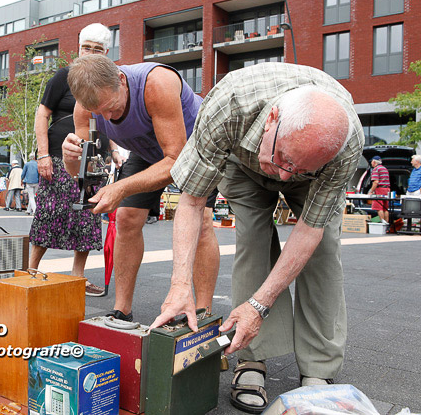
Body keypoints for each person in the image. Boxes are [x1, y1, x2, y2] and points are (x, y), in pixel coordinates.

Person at [154, 63, 364, 412]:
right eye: (281, 159)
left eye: (293, 168)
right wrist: (180, 286)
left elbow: (309, 228)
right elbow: (192, 200)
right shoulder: (230, 104)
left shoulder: (344, 145)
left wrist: (259, 304)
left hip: (312, 173)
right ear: (272, 119)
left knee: (324, 250)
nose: (282, 177)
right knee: (253, 237)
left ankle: (319, 369)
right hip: (243, 161)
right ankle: (252, 358)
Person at [63, 54, 220, 316]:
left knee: (201, 222)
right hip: (146, 150)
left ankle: (203, 314)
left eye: (112, 107)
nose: (108, 118)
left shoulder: (157, 83)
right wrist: (70, 158)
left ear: (121, 80)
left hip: (194, 147)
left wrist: (121, 187)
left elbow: (175, 161)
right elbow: (81, 172)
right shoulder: (86, 108)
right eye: (100, 112)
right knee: (125, 218)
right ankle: (121, 311)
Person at [28, 23, 113, 297]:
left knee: (87, 217)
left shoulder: (108, 81)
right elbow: (42, 115)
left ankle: (78, 277)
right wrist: (42, 154)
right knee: (48, 213)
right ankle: (30, 271)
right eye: (86, 47)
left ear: (106, 53)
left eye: (97, 49)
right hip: (55, 155)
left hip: (93, 159)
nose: (90, 53)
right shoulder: (63, 76)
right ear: (78, 48)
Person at [367, 156, 390, 224]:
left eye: (371, 162)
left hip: (380, 190)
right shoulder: (385, 169)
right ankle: (386, 225)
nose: (371, 163)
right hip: (387, 189)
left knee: (379, 207)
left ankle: (382, 224)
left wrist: (371, 191)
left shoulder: (376, 169)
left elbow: (376, 182)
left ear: (374, 162)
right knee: (385, 208)